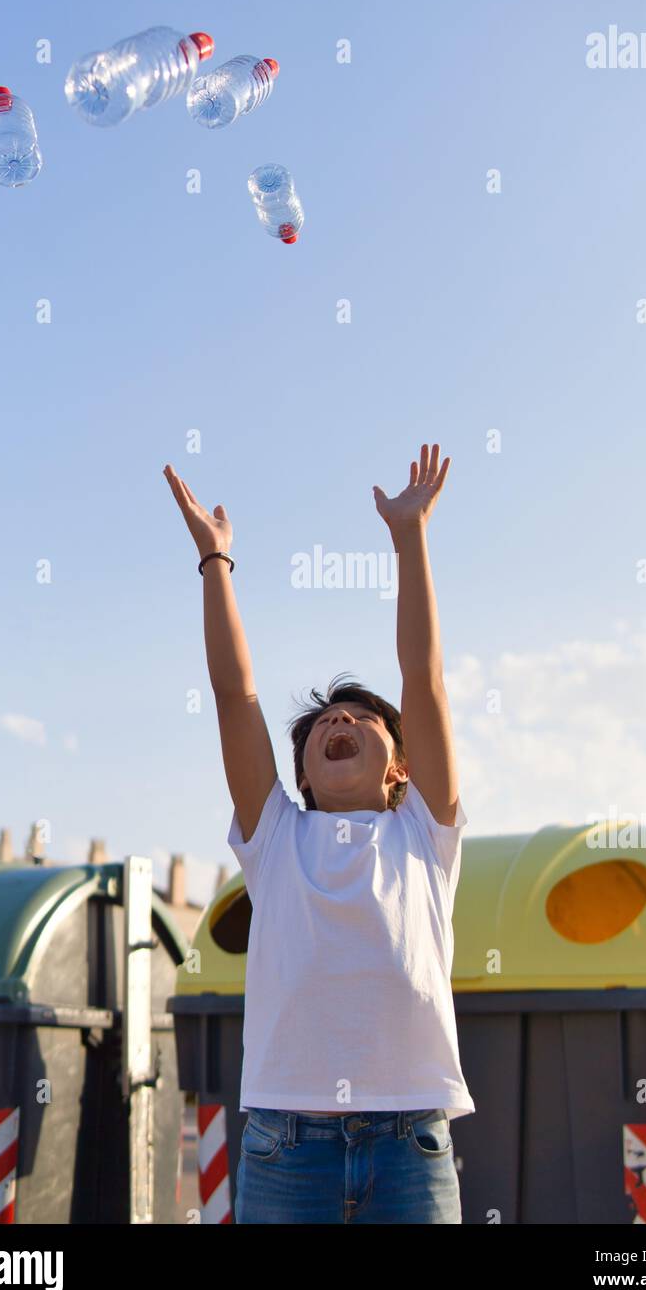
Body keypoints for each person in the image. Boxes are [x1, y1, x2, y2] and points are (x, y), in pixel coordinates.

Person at [163, 443, 474, 1223]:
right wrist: (216, 563)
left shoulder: (424, 835)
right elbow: (235, 696)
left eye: (362, 717)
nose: (340, 720)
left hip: (412, 1147)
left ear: (400, 769)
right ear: (300, 772)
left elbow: (424, 677)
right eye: (324, 722)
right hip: (285, 1146)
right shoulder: (275, 837)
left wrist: (410, 539)